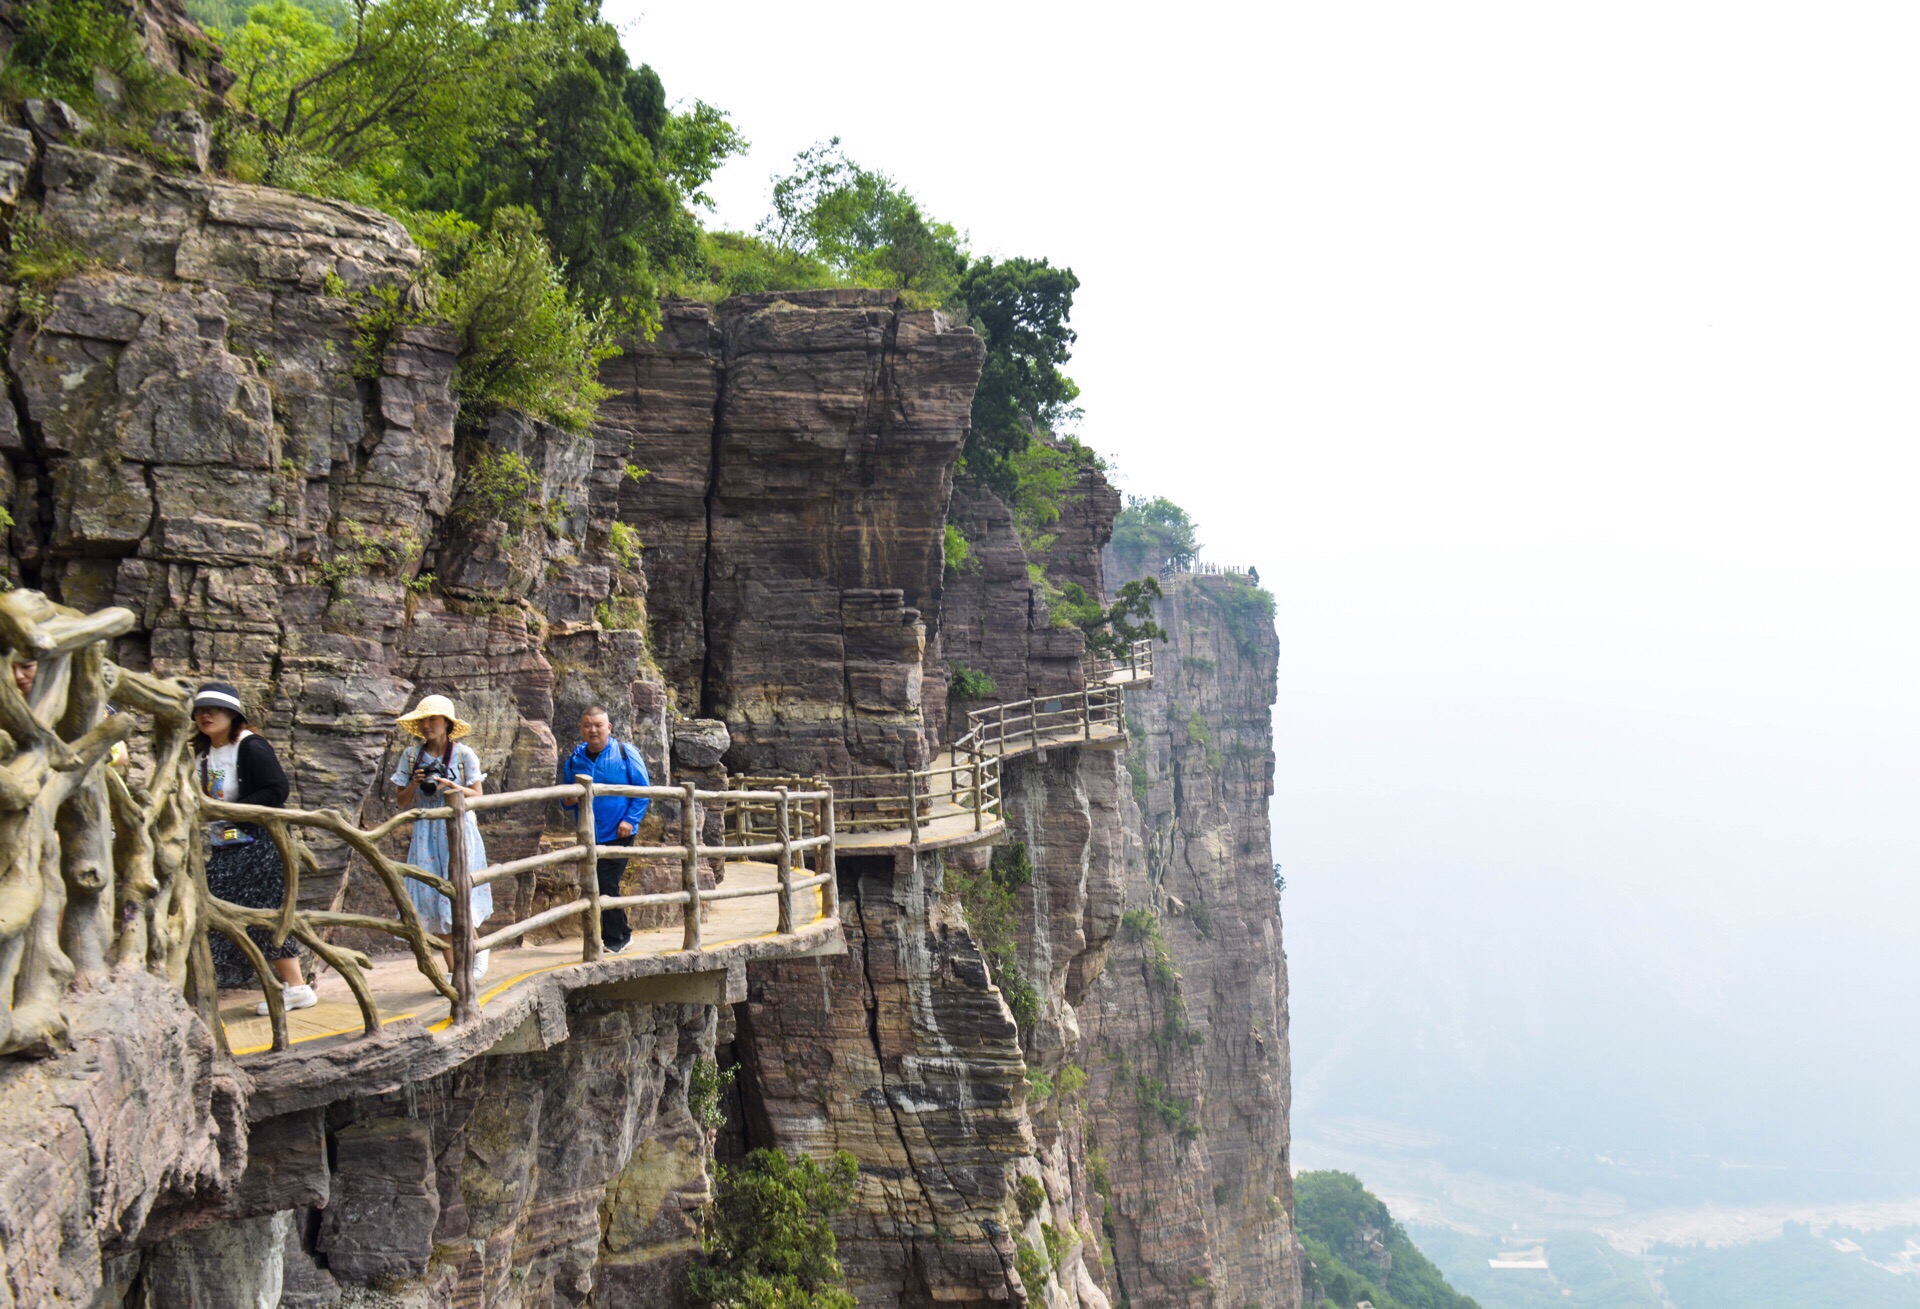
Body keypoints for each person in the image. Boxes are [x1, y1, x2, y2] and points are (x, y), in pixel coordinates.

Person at [192, 682, 312, 1014]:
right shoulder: (203, 753)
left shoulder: (251, 747)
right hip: (226, 846)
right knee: (215, 914)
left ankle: (297, 987)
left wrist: (233, 813)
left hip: (260, 846)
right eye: (201, 710)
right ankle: (206, 992)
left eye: (214, 710)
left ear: (233, 715)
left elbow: (277, 790)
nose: (206, 715)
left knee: (265, 915)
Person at [390, 695, 493, 979]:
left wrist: (450, 786)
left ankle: (475, 952)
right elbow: (401, 801)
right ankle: (454, 969)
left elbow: (479, 796)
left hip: (458, 829)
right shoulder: (411, 756)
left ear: (447, 723)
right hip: (425, 831)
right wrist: (413, 783)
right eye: (422, 720)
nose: (426, 725)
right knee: (432, 897)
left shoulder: (463, 755)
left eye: (432, 719)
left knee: (459, 893)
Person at [559, 706, 651, 955]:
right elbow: (567, 798)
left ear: (608, 728)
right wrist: (568, 798)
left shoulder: (624, 752)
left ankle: (616, 937)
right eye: (587, 725)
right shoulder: (575, 758)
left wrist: (630, 820)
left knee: (607, 882)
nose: (593, 730)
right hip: (590, 835)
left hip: (619, 831)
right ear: (580, 728)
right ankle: (618, 933)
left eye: (598, 725)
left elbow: (644, 789)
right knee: (595, 884)